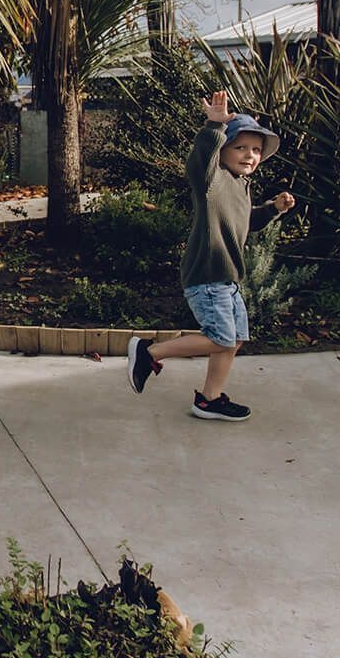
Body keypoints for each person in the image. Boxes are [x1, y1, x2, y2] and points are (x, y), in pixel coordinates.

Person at [125, 90, 296, 422]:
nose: (250, 155)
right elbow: (198, 166)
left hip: (228, 279)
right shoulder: (213, 180)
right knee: (220, 338)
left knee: (233, 341)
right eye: (241, 147)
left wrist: (273, 209)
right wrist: (214, 127)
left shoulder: (241, 186)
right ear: (223, 151)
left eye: (256, 150)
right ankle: (149, 352)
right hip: (207, 276)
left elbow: (246, 222)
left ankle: (209, 399)